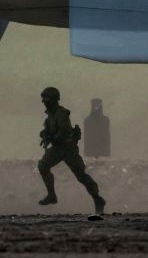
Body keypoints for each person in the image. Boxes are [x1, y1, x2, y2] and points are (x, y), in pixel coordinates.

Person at [36, 86, 105, 215]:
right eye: (43, 98)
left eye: (46, 98)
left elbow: (64, 132)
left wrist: (51, 136)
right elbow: (50, 129)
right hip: (58, 148)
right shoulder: (50, 115)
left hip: (68, 148)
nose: (43, 101)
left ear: (54, 99)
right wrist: (45, 133)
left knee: (81, 175)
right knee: (43, 166)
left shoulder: (61, 113)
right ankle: (52, 195)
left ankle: (97, 199)